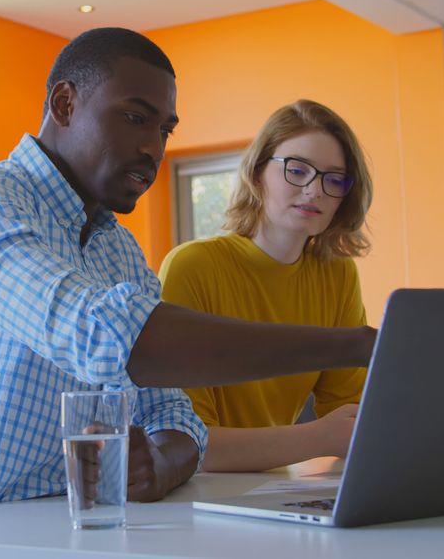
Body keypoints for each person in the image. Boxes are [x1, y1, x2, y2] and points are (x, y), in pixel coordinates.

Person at [0, 28, 377, 516]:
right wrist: (357, 344)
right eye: (134, 118)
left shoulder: (118, 250)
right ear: (64, 104)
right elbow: (106, 335)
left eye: (165, 130)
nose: (153, 148)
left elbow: (173, 414)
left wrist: (164, 461)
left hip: (76, 530)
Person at [159, 100, 373, 472]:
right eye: (297, 169)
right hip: (196, 495)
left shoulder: (338, 276)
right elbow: (189, 444)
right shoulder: (192, 266)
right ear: (257, 174)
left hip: (276, 489)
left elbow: (351, 420)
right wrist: (319, 437)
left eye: (333, 178)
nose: (314, 189)